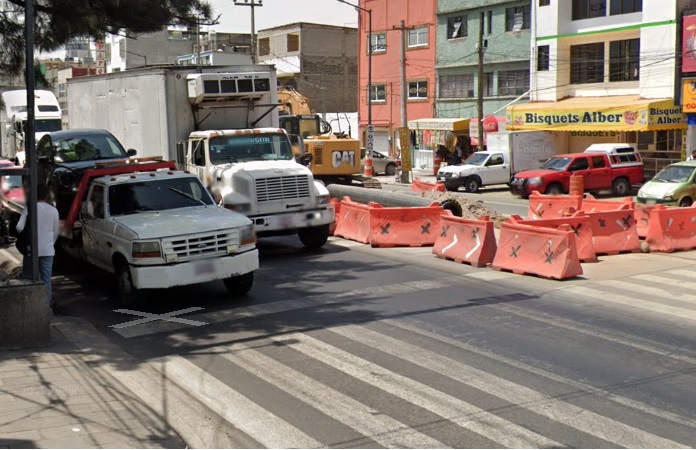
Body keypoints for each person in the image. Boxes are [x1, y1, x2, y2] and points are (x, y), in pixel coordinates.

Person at [17, 183, 60, 310]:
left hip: (31, 250)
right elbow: (56, 231)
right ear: (46, 196)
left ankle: (27, 305)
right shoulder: (53, 210)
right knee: (46, 278)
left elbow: (19, 227)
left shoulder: (29, 208)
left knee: (26, 276)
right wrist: (49, 243)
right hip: (47, 250)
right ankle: (45, 307)